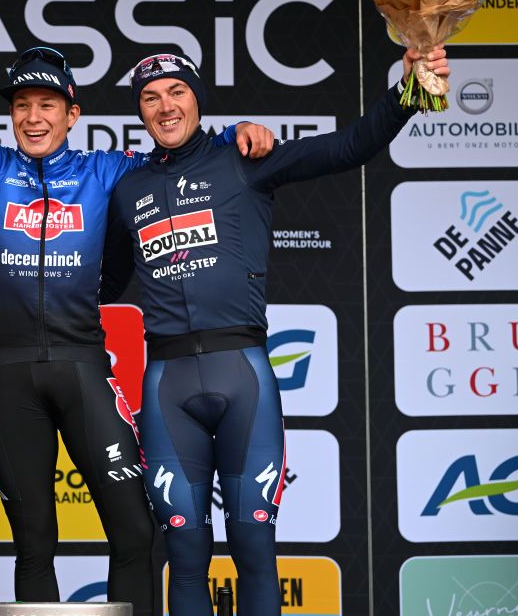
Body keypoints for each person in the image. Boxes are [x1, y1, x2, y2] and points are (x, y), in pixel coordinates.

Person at [0, 0, 275, 613]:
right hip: (10, 371)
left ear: (73, 113)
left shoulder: (111, 171)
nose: (34, 116)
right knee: (33, 541)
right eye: (22, 105)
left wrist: (245, 134)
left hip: (84, 365)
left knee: (135, 527)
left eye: (48, 104)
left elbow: (187, 154)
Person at [106, 47, 449, 616]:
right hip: (165, 384)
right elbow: (104, 281)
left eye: (177, 92)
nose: (165, 107)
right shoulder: (128, 188)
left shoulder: (243, 157)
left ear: (197, 99)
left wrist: (412, 88)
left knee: (254, 548)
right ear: (140, 113)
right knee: (185, 551)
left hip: (243, 376)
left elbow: (349, 146)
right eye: (150, 98)